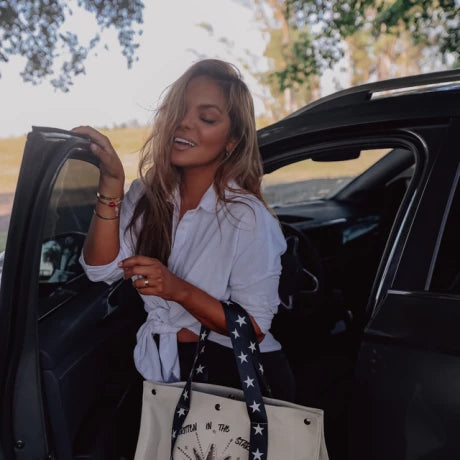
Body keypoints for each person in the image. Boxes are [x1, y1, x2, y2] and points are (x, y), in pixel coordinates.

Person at [75, 59, 295, 401]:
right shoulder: (147, 196)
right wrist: (112, 184)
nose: (184, 123)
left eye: (206, 118)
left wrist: (178, 289)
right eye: (178, 110)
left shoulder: (247, 217)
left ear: (232, 140)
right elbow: (100, 268)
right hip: (166, 367)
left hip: (234, 376)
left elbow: (254, 328)